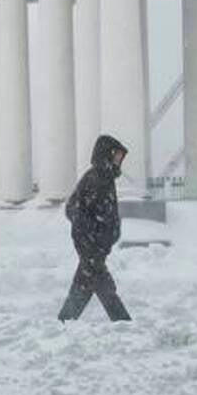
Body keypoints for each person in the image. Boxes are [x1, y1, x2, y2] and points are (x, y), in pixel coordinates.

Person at [57, 135, 133, 322]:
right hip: (92, 249)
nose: (119, 160)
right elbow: (74, 210)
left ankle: (64, 324)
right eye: (116, 155)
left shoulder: (104, 177)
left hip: (95, 249)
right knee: (104, 290)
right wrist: (94, 240)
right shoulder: (96, 178)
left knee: (86, 287)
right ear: (107, 154)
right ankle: (124, 324)